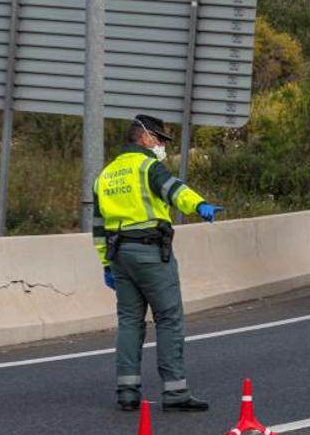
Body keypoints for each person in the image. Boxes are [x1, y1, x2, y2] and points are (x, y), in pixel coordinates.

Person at [92, 114, 223, 412]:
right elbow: (174, 190)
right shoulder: (147, 166)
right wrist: (200, 206)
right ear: (145, 137)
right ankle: (175, 392)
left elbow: (98, 226)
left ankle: (127, 392)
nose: (162, 145)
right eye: (160, 139)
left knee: (129, 322)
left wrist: (106, 265)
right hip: (150, 252)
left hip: (119, 256)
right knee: (168, 318)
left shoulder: (105, 175)